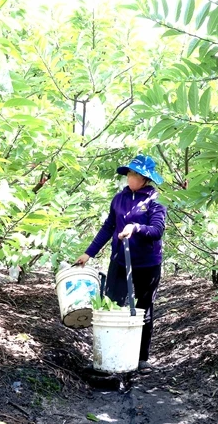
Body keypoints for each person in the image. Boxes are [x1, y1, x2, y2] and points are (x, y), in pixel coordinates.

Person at [76, 154, 166, 374]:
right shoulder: (118, 199)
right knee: (112, 304)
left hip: (146, 264)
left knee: (143, 308)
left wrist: (135, 228)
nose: (130, 177)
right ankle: (110, 353)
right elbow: (108, 227)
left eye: (135, 174)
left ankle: (141, 357)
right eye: (129, 173)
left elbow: (157, 231)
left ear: (146, 179)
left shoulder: (154, 203)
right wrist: (89, 253)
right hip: (120, 260)